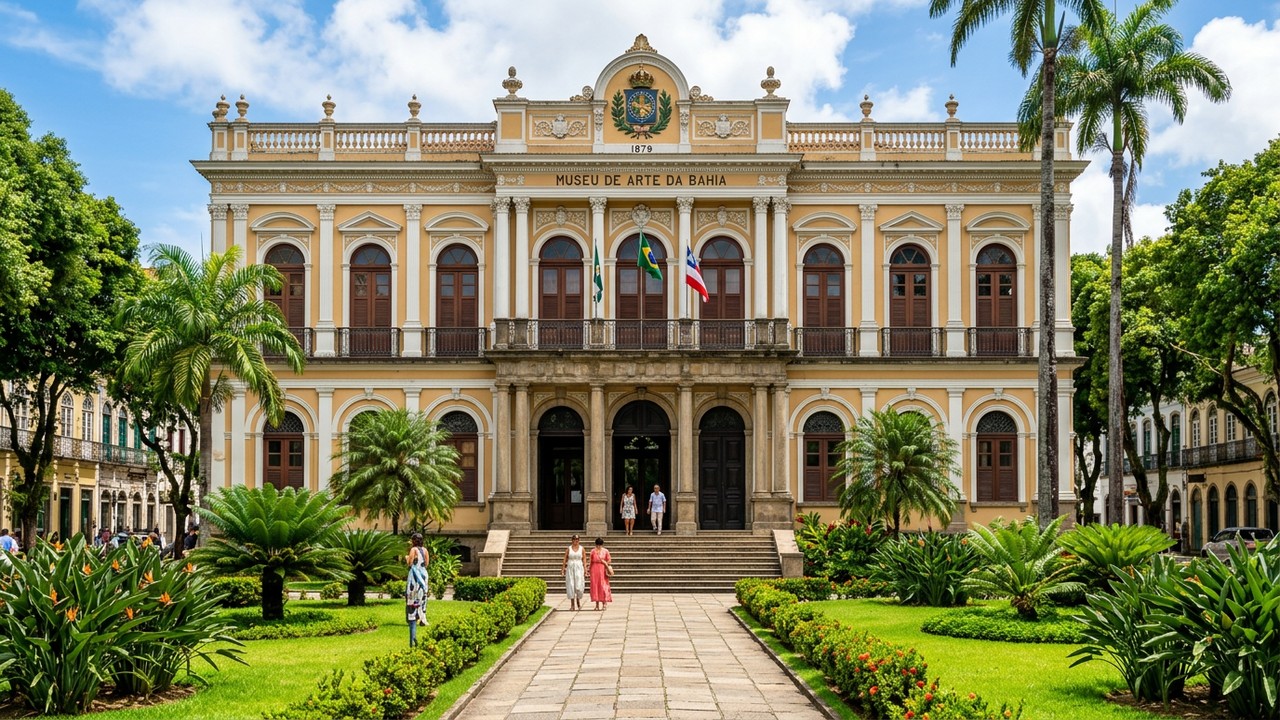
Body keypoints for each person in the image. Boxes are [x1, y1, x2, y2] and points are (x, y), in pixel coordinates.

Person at [405, 532, 430, 647]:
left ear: (414, 541)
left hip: (415, 575)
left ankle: (412, 617)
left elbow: (410, 563)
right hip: (424, 574)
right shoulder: (425, 550)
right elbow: (427, 563)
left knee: (412, 596)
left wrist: (406, 558)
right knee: (422, 596)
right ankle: (422, 618)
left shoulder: (413, 550)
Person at [561, 534, 585, 611]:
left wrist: (585, 569)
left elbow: (584, 559)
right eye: (574, 539)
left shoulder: (582, 549)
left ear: (579, 540)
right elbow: (565, 559)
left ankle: (578, 600)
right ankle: (572, 604)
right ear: (572, 540)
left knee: (579, 585)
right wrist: (563, 569)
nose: (575, 541)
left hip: (579, 567)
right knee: (571, 584)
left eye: (577, 540)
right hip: (570, 567)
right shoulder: (568, 549)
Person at [588, 537, 613, 610]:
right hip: (594, 569)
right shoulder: (593, 551)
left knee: (603, 586)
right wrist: (588, 570)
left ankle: (604, 603)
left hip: (602, 568)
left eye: (600, 545)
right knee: (595, 586)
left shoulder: (605, 551)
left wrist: (605, 563)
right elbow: (590, 561)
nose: (598, 546)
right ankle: (597, 604)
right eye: (597, 545)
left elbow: (609, 560)